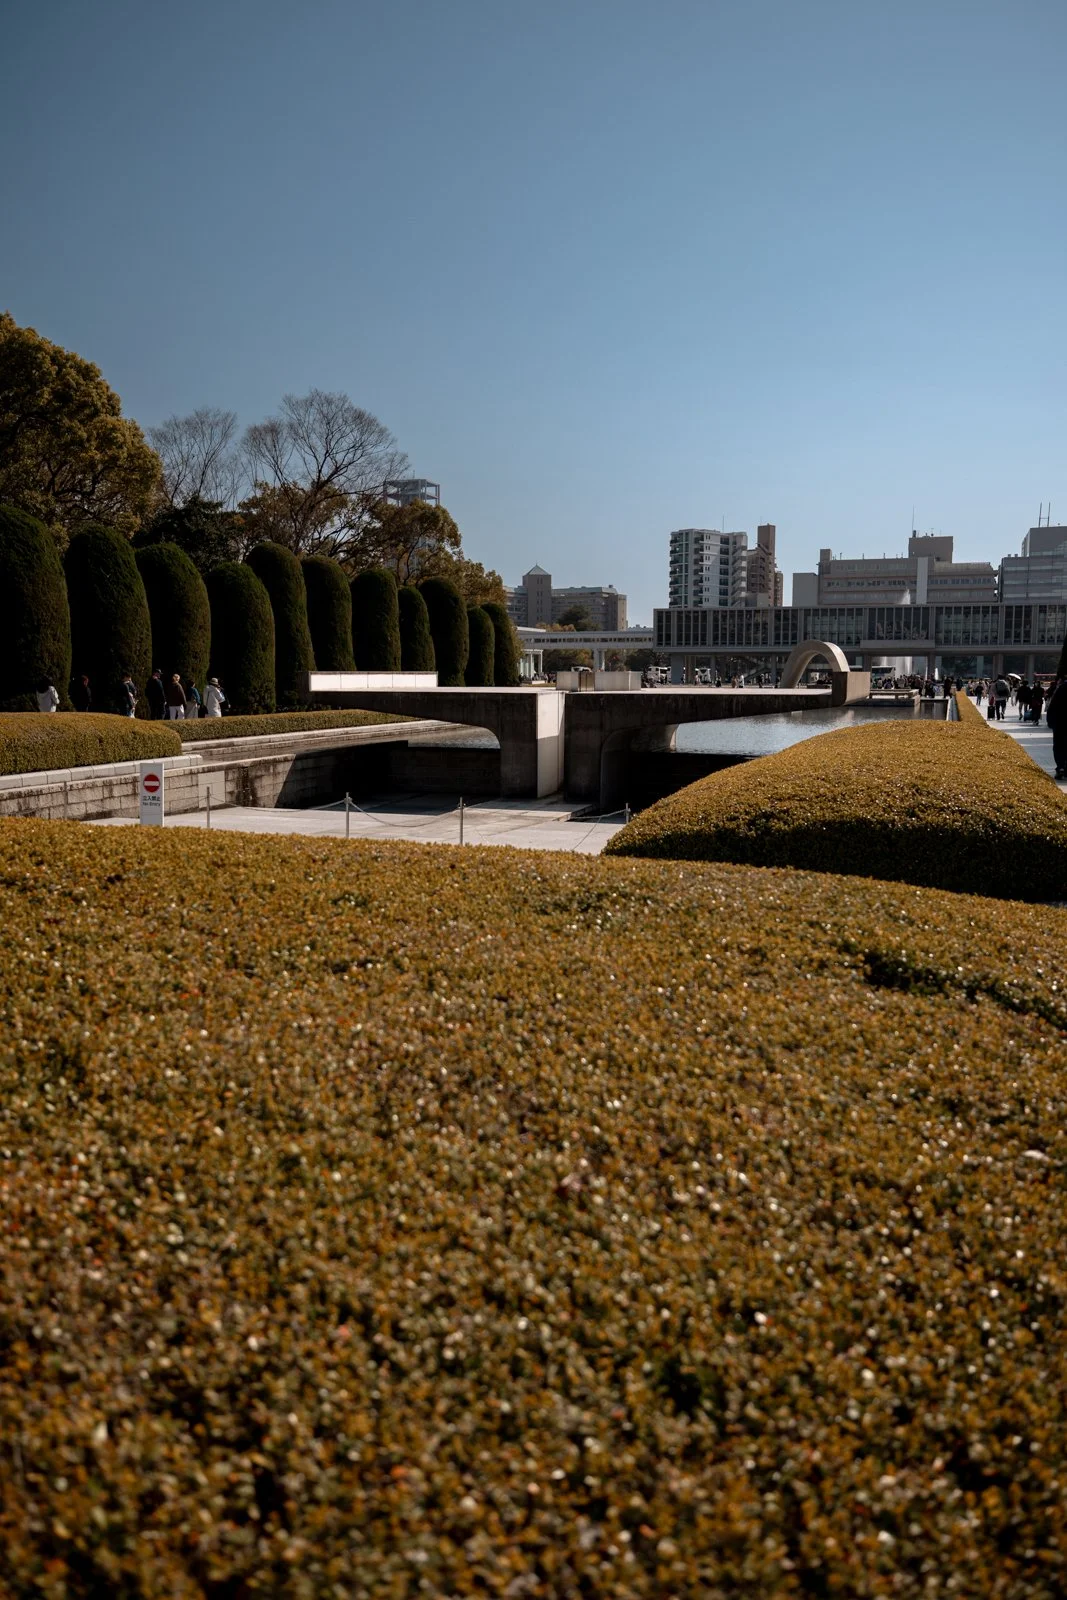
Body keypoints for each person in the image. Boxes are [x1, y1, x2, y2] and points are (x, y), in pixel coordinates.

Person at [1046, 677, 1067, 780]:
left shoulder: (1061, 688)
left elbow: (1052, 705)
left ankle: (1060, 767)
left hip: (1060, 722)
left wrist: (1049, 720)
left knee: (1058, 745)